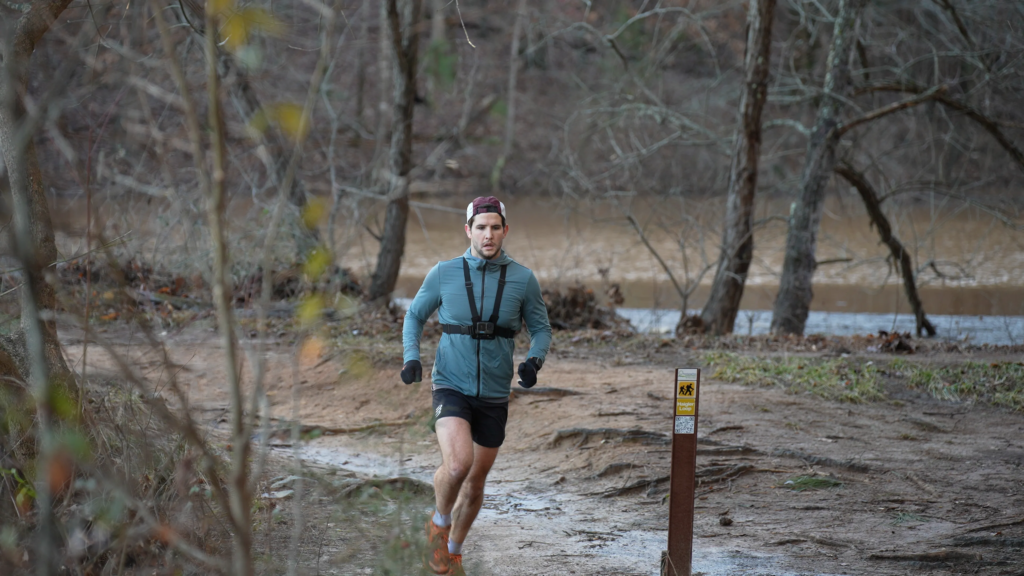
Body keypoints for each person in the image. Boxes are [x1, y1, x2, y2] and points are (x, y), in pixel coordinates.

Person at [401, 196, 552, 575]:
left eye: (495, 227)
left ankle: (453, 552)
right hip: (450, 383)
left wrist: (534, 361)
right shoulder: (444, 272)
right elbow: (414, 315)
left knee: (476, 481)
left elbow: (541, 329)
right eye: (481, 227)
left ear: (505, 231)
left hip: (496, 392)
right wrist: (411, 357)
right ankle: (438, 524)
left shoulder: (523, 278)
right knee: (458, 465)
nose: (488, 235)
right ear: (468, 230)